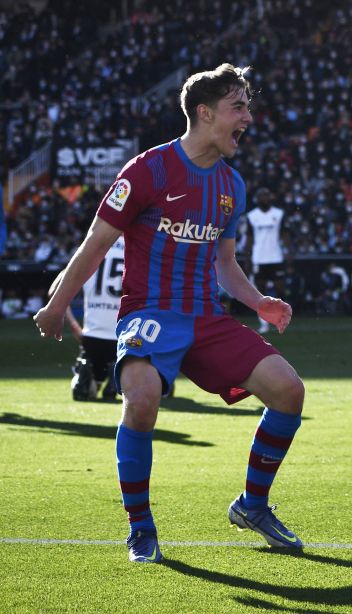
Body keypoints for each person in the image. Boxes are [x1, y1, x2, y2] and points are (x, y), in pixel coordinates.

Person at [33, 64, 306, 564]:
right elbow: (95, 245)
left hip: (206, 316)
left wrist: (259, 302)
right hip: (149, 312)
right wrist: (57, 304)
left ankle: (253, 505)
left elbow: (225, 263)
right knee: (142, 399)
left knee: (288, 390)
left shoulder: (231, 185)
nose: (248, 117)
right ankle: (141, 528)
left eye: (247, 105)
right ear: (205, 113)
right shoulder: (147, 171)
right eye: (238, 107)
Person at [50, 236, 126, 401]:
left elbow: (54, 290)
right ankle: (119, 377)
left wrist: (74, 325)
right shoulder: (137, 248)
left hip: (91, 336)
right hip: (124, 335)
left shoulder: (92, 249)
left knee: (90, 387)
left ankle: (88, 375)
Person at [245, 188, 286, 333]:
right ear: (257, 198)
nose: (264, 198)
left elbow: (285, 235)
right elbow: (249, 239)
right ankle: (264, 323)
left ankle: (281, 319)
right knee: (260, 293)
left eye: (267, 195)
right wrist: (247, 259)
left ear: (271, 197)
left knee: (280, 289)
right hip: (259, 258)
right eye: (261, 195)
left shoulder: (279, 214)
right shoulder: (252, 216)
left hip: (275, 257)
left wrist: (289, 254)